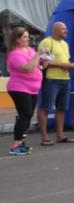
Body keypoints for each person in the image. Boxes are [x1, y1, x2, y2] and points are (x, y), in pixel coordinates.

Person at [36, 21, 74, 146]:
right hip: (51, 79)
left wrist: (70, 65)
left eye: (66, 28)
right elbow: (41, 61)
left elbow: (66, 60)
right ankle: (44, 137)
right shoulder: (47, 42)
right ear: (55, 30)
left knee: (62, 107)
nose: (66, 31)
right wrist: (61, 65)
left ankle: (60, 135)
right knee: (45, 107)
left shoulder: (65, 44)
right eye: (64, 29)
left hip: (65, 79)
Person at [6, 27, 44, 156]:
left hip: (33, 88)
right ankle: (15, 145)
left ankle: (21, 142)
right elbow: (27, 68)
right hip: (19, 88)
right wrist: (38, 54)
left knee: (27, 115)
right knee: (25, 114)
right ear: (17, 39)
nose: (28, 39)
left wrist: (45, 58)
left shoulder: (29, 50)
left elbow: (38, 66)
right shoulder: (15, 54)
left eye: (28, 36)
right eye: (25, 37)